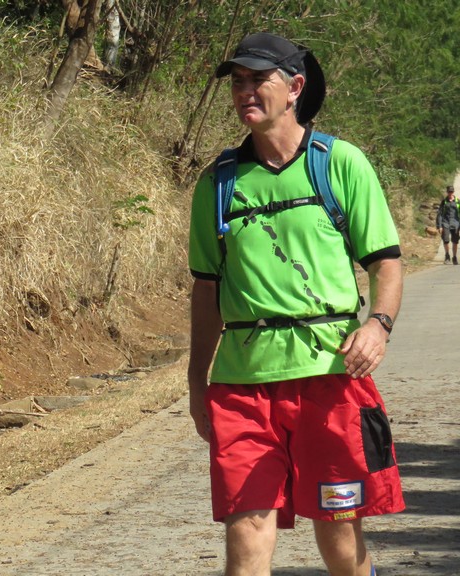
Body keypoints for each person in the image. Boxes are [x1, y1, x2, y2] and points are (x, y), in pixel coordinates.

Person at [188, 33, 405, 576]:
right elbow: (206, 290)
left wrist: (377, 325)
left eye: (258, 78)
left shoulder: (339, 164)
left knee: (340, 538)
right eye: (237, 81)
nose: (245, 90)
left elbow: (385, 262)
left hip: (329, 378)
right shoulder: (217, 183)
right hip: (242, 387)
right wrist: (197, 382)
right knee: (246, 535)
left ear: (294, 87)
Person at [435, 184, 459, 264]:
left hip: (455, 224)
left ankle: (454, 257)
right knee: (446, 240)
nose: (450, 193)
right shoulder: (444, 202)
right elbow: (440, 214)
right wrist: (439, 226)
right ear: (447, 192)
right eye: (449, 192)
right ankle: (447, 256)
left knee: (455, 241)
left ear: (453, 192)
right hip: (445, 223)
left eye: (451, 192)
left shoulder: (457, 201)